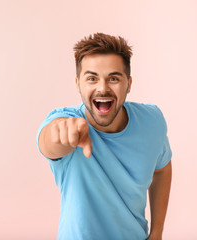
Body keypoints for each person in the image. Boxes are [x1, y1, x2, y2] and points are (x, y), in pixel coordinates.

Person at [36, 32, 172, 240]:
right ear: (78, 83)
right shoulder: (64, 120)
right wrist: (61, 135)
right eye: (91, 78)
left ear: (129, 83)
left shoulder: (152, 121)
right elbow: (49, 142)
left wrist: (157, 232)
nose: (102, 88)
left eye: (114, 78)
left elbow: (162, 169)